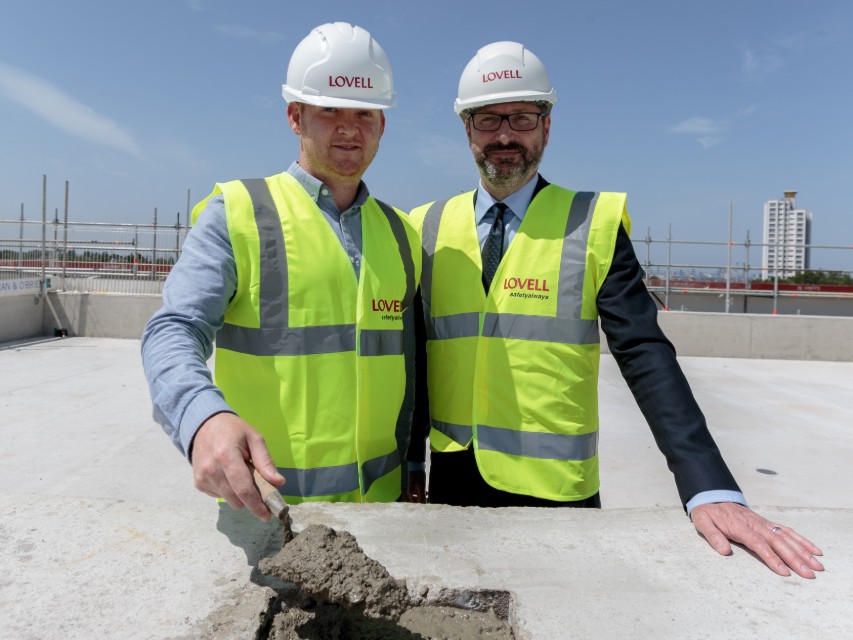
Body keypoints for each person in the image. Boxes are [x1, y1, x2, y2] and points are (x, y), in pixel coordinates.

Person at [405, 40, 823, 579]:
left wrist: (706, 484)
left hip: (557, 494)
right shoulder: (426, 226)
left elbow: (644, 352)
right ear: (467, 130)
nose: (505, 135)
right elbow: (413, 353)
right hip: (453, 482)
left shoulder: (593, 223)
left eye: (523, 117)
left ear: (547, 126)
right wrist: (412, 460)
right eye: (488, 119)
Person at [141, 22, 420, 521]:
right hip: (271, 513)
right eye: (329, 109)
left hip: (382, 514)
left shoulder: (402, 234)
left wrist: (415, 466)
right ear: (295, 116)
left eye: (365, 112)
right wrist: (201, 417)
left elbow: (409, 367)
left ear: (383, 123)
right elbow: (174, 329)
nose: (349, 127)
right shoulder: (239, 213)